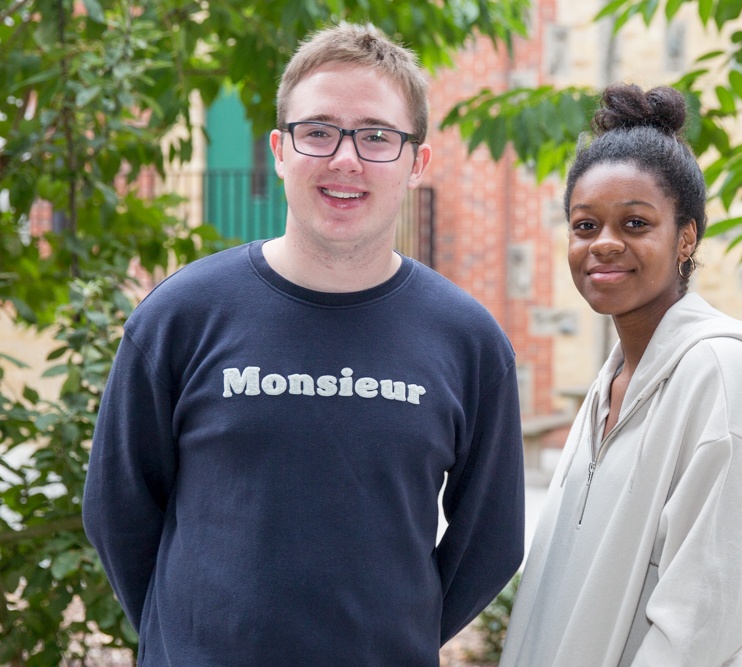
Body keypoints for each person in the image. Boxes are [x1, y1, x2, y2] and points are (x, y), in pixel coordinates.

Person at [83, 22, 525, 666]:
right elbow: (117, 508)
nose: (345, 158)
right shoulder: (182, 316)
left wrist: (400, 635)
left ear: (416, 163)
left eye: (377, 136)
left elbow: (492, 539)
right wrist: (183, 638)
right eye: (318, 131)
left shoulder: (468, 342)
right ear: (280, 150)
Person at [499, 83, 742, 666]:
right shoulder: (608, 387)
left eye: (634, 223)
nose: (604, 245)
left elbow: (706, 617)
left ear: (686, 237)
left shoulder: (721, 373)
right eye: (585, 226)